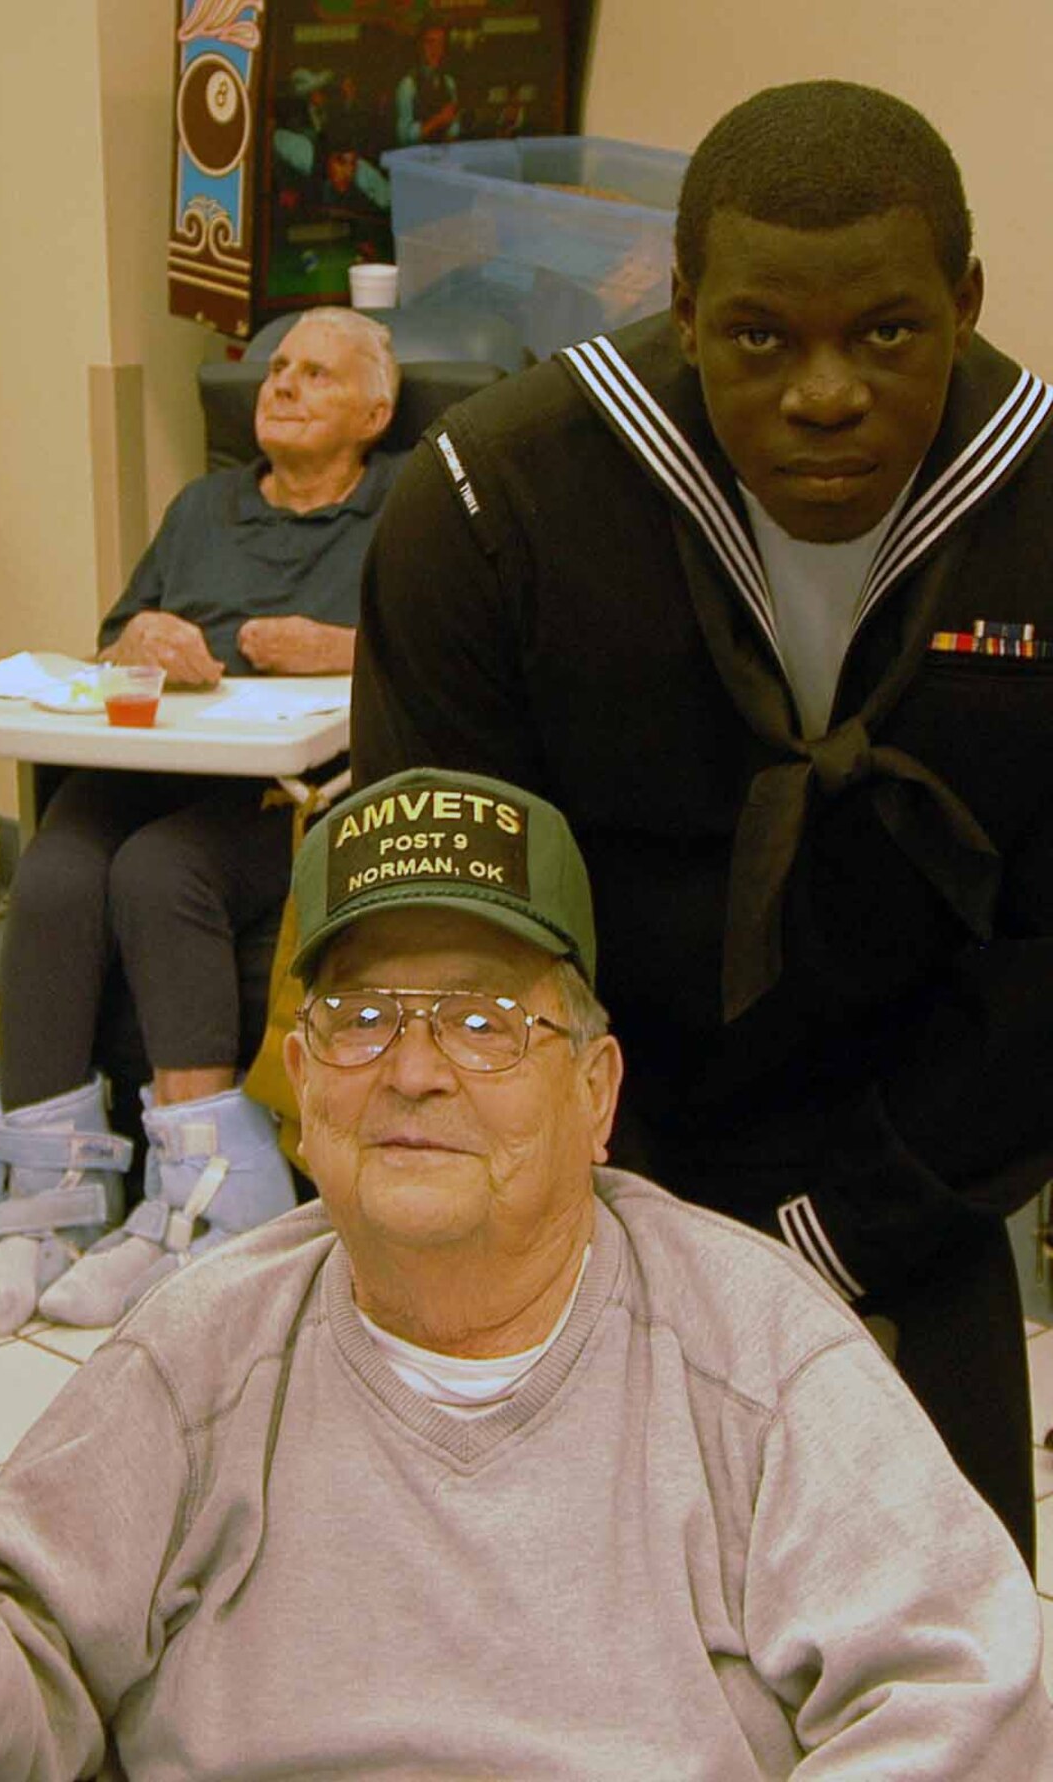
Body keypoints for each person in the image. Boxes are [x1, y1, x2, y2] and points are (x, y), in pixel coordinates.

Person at [0, 766, 1053, 1779]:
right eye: (361, 1017)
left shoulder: (757, 1355)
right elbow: (4, 1716)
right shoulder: (199, 1353)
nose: (414, 1068)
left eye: (489, 1021)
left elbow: (969, 1696)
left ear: (594, 1092)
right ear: (304, 1087)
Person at [352, 80, 1053, 1563]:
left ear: (966, 302)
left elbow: (1043, 969)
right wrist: (595, 1216)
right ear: (680, 306)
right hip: (578, 1169)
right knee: (577, 1636)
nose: (823, 392)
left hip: (915, 1168)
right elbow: (446, 933)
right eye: (757, 336)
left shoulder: (1043, 514)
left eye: (886, 332)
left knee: (952, 1639)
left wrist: (846, 1226)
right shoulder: (497, 503)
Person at [0, 308, 400, 1340]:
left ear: (374, 411)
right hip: (163, 756)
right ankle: (45, 1196)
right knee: (58, 868)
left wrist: (342, 647)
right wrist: (139, 637)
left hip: (292, 791)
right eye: (274, 369)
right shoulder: (201, 506)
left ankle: (201, 1203)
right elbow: (113, 641)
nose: (279, 386)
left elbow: (447, 652)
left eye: (314, 375)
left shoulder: (400, 508)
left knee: (156, 872)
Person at [393, 21, 459, 146]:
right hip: (414, 159)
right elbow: (403, 137)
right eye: (430, 42)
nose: (436, 49)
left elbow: (454, 127)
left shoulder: (449, 82)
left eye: (441, 43)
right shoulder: (408, 85)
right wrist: (438, 120)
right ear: (420, 46)